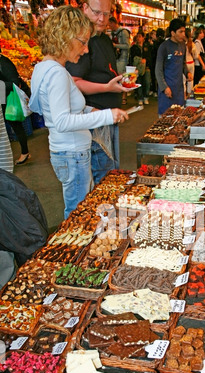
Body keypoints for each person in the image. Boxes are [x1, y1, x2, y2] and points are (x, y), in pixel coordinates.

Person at [29, 5, 128, 219]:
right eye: (82, 43)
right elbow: (62, 120)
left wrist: (88, 109)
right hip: (72, 153)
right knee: (77, 214)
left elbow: (50, 108)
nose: (85, 50)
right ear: (64, 38)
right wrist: (105, 115)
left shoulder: (43, 68)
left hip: (68, 152)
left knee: (79, 208)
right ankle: (73, 251)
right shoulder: (56, 73)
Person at [66, 0, 129, 185]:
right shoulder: (81, 40)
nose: (102, 19)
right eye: (96, 12)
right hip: (93, 118)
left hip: (108, 117)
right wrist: (107, 88)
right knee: (102, 175)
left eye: (107, 14)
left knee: (111, 171)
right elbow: (74, 82)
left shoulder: (104, 38)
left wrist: (119, 81)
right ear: (85, 8)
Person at [0, 47, 32, 165]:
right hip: (3, 98)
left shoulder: (4, 63)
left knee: (15, 124)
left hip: (9, 99)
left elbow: (14, 83)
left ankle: (25, 152)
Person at [155, 18, 192, 117]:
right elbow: (158, 70)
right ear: (172, 33)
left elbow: (183, 63)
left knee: (179, 117)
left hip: (179, 89)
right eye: (180, 32)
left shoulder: (183, 46)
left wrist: (187, 72)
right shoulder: (164, 47)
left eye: (184, 31)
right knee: (165, 119)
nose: (183, 34)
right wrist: (164, 87)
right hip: (167, 89)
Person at [108, 16, 130, 105]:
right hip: (115, 57)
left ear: (113, 23)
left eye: (110, 24)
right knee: (117, 76)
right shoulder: (112, 33)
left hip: (122, 58)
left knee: (122, 76)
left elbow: (127, 46)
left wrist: (115, 45)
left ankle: (124, 96)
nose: (109, 26)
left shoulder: (123, 32)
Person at [129, 31, 151, 106]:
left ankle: (146, 96)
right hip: (137, 68)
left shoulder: (147, 46)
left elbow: (151, 56)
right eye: (137, 36)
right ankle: (140, 98)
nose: (138, 38)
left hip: (146, 67)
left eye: (140, 36)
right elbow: (132, 58)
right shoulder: (133, 47)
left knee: (147, 82)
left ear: (143, 38)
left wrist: (146, 61)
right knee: (139, 83)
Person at [151, 27, 165, 96]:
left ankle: (155, 91)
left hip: (155, 62)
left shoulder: (155, 44)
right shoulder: (165, 43)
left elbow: (153, 54)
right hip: (163, 63)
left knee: (155, 77)